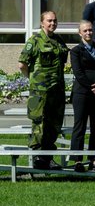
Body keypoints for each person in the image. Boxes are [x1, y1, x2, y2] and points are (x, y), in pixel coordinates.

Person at [20, 11, 70, 169]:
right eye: (49, 21)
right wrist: (34, 80)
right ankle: (37, 158)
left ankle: (48, 158)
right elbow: (22, 64)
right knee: (40, 124)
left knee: (54, 125)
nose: (52, 23)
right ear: (42, 23)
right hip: (40, 92)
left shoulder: (59, 41)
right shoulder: (34, 40)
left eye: (55, 21)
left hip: (57, 90)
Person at [69, 20, 95, 169]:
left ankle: (94, 159)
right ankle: (77, 160)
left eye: (90, 30)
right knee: (79, 127)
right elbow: (78, 73)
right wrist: (93, 88)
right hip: (82, 93)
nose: (88, 33)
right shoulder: (75, 51)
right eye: (85, 31)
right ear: (80, 33)